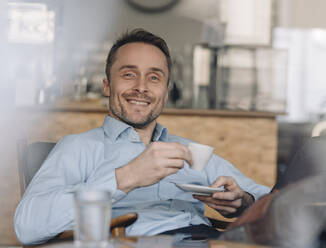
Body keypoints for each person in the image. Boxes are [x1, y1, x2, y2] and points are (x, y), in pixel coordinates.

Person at [14, 29, 270, 245]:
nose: (142, 87)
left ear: (166, 93)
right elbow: (27, 227)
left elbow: (271, 200)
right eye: (128, 74)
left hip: (209, 240)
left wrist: (243, 202)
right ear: (107, 85)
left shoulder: (189, 152)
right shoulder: (79, 147)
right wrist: (127, 177)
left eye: (154, 77)